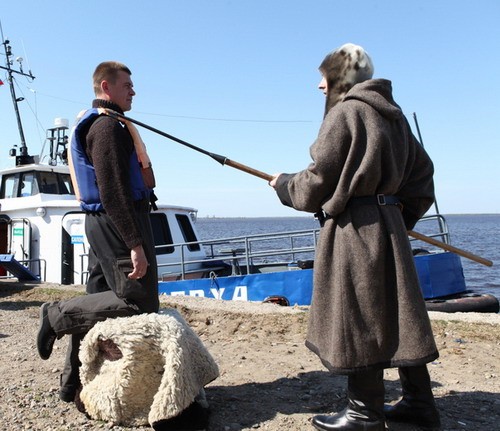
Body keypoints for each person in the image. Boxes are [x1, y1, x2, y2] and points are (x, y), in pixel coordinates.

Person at [269, 43, 441, 431]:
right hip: (390, 225)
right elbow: (423, 175)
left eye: (324, 77)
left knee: (360, 316)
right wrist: (400, 216)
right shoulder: (394, 119)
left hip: (356, 229)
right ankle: (419, 405)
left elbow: (318, 179)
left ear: (340, 78)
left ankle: (364, 414)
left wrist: (284, 186)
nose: (319, 86)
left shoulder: (346, 112)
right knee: (398, 316)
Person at [36, 61, 159, 404]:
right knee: (138, 302)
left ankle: (73, 384)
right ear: (106, 87)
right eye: (127, 85)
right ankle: (55, 314)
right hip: (116, 221)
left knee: (96, 301)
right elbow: (112, 190)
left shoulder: (109, 124)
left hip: (104, 223)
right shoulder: (106, 129)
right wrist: (134, 243)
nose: (133, 91)